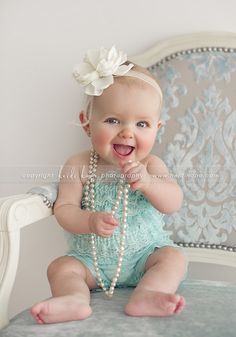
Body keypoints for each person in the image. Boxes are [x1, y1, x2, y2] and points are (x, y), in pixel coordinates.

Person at [31, 46, 187, 324]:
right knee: (61, 267)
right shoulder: (78, 165)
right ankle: (73, 299)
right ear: (87, 124)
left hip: (144, 256)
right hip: (90, 260)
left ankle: (149, 294)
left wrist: (149, 184)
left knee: (173, 258)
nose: (127, 132)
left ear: (157, 129)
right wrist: (88, 221)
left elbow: (173, 202)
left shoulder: (151, 165)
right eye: (113, 120)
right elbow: (64, 209)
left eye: (142, 123)